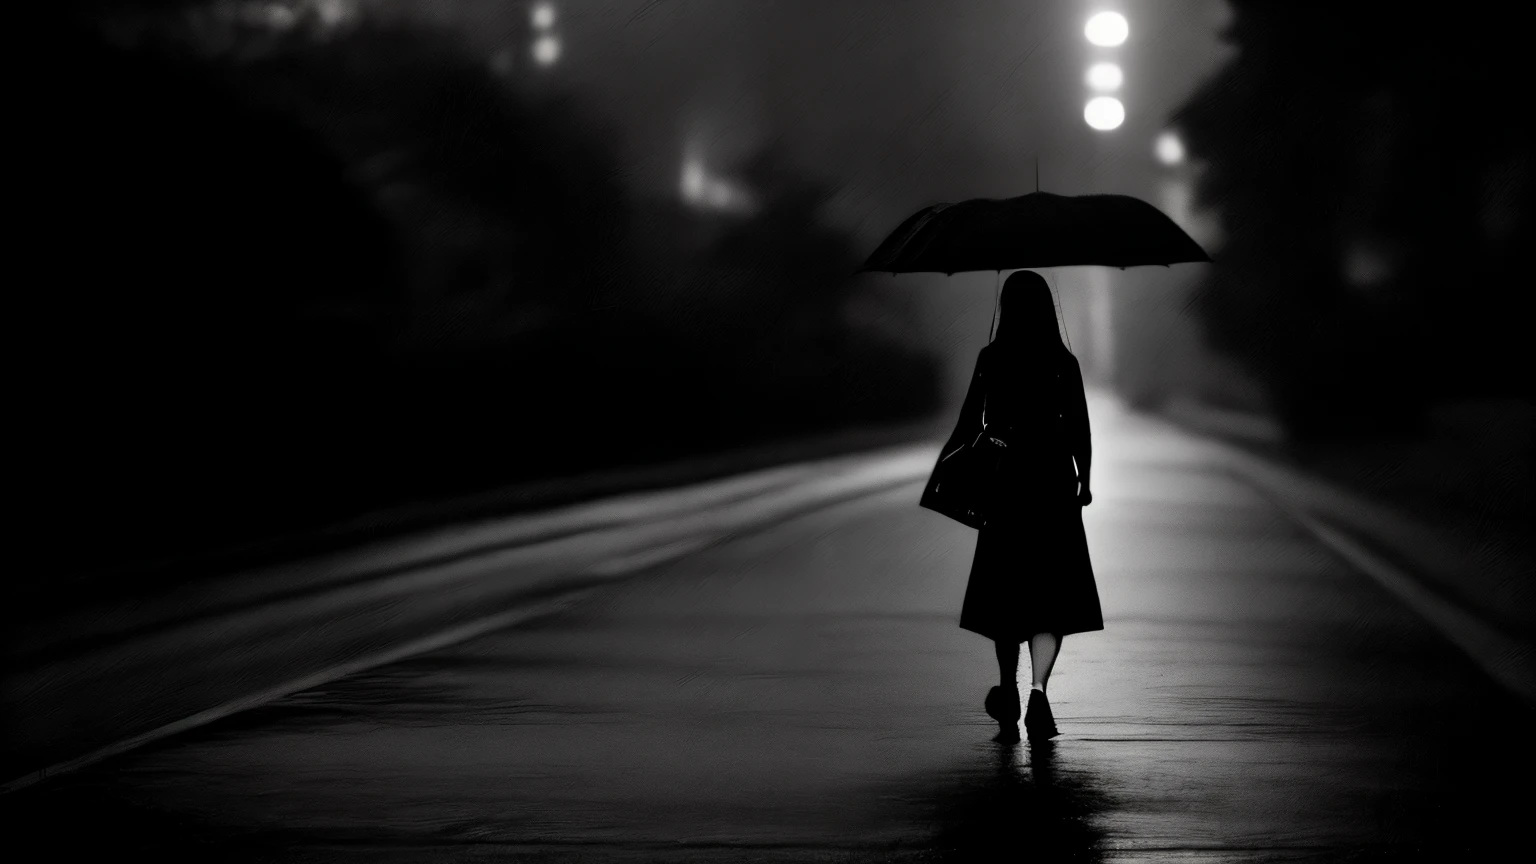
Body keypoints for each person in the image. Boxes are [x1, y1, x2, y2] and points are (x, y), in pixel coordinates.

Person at [942, 270, 1102, 743]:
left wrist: (962, 470)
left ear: (1006, 308)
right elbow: (1080, 427)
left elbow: (972, 420)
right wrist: (1084, 482)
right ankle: (1037, 694)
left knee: (1006, 593)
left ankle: (1008, 691)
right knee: (1049, 595)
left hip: (1007, 484)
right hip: (1052, 482)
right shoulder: (1061, 361)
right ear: (1047, 308)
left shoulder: (992, 359)